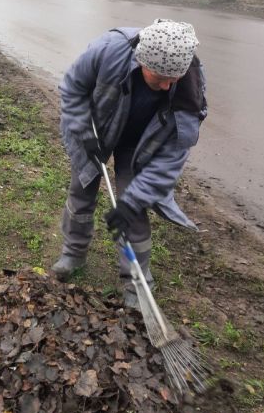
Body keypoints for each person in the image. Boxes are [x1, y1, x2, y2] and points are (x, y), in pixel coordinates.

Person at [50, 19, 207, 308]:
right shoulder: (109, 50)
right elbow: (73, 89)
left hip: (141, 145)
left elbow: (169, 162)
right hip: (97, 128)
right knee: (81, 192)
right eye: (159, 76)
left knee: (133, 213)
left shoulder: (188, 93)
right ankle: (73, 255)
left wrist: (130, 202)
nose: (166, 85)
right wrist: (84, 133)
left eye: (174, 78)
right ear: (140, 59)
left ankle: (137, 284)